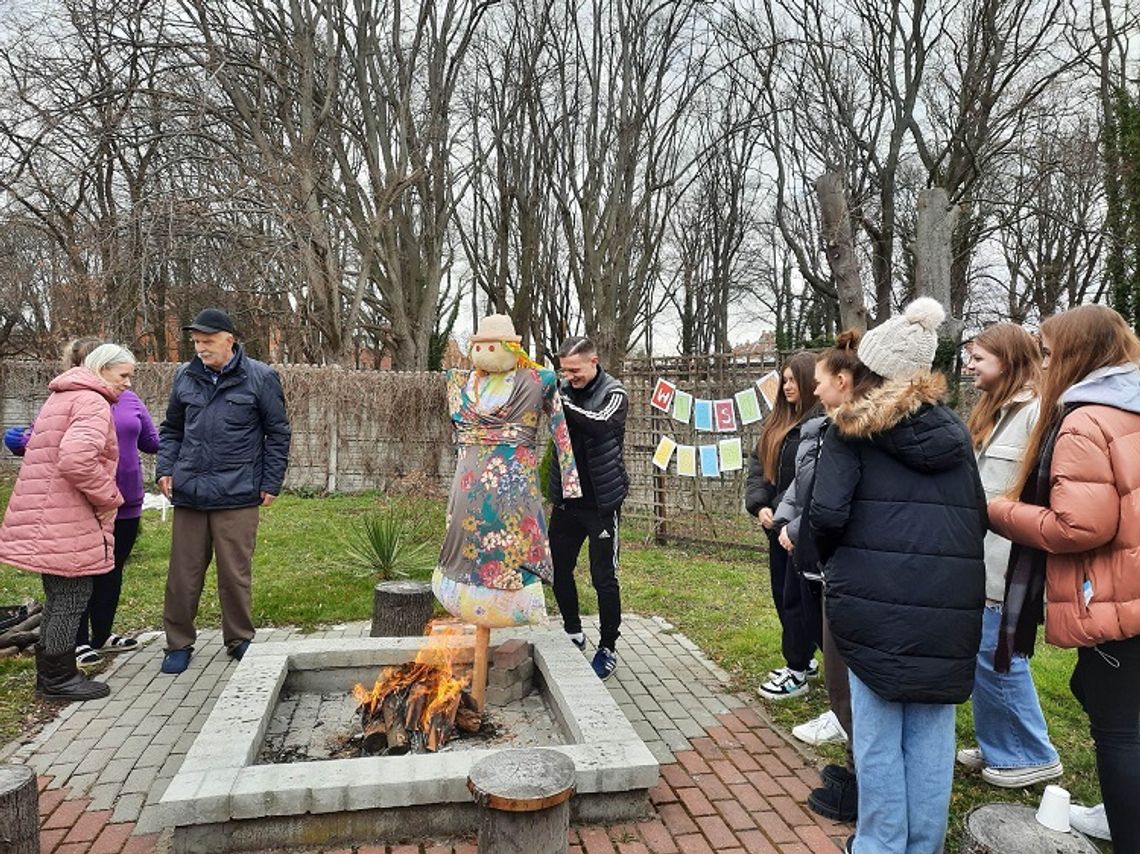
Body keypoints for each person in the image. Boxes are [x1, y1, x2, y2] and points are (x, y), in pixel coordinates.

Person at [810, 298, 986, 854]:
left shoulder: (849, 433)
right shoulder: (956, 436)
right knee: (932, 733)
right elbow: (976, 517)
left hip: (873, 602)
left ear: (872, 371)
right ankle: (923, 844)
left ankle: (881, 844)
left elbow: (826, 517)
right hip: (949, 605)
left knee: (879, 732)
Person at [988, 304, 1140, 852]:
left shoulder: (1085, 419)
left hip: (1116, 599)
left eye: (1049, 354)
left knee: (1118, 728)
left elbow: (1079, 526)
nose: (1043, 366)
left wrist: (998, 510)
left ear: (1078, 355)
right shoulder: (1132, 406)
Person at [3, 337, 157, 665]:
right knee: (71, 595)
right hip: (75, 509)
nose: (128, 383)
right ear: (99, 369)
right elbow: (75, 459)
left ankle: (57, 672)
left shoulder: (67, 396)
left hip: (68, 508)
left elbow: (149, 441)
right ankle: (60, 674)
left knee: (72, 591)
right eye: (123, 375)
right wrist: (107, 496)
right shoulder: (90, 402)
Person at [955, 324, 1062, 788]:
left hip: (1007, 563)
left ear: (1008, 358)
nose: (970, 365)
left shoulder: (1037, 414)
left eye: (979, 358)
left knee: (999, 656)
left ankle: (1030, 755)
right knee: (985, 654)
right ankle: (1000, 742)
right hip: (983, 559)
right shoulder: (996, 412)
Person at [157, 308, 291, 674]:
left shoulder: (261, 378)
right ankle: (178, 643)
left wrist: (270, 481)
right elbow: (171, 430)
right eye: (197, 342)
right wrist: (165, 468)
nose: (201, 348)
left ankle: (239, 639)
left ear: (229, 340)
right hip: (191, 493)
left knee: (234, 574)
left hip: (238, 493)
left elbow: (277, 433)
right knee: (183, 576)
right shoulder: (185, 377)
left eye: (208, 342)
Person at [433, 314, 580, 626]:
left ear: (513, 348)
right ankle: (463, 597)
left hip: (515, 486)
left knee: (514, 543)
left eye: (492, 346)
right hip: (468, 483)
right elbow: (456, 432)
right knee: (464, 539)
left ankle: (514, 603)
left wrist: (570, 483)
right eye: (479, 346)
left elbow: (561, 432)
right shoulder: (457, 382)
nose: (485, 352)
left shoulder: (540, 380)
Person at [780, 332, 865, 823]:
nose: (810, 390)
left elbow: (827, 508)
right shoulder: (824, 428)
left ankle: (862, 784)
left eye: (815, 381)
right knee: (839, 677)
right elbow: (802, 488)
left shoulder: (848, 435)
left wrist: (802, 528)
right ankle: (856, 770)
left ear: (843, 379)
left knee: (850, 681)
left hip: (846, 570)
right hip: (833, 566)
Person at [547, 336, 628, 680]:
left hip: (599, 504)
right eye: (563, 371)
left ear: (593, 361)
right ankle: (572, 630)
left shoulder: (614, 393)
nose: (569, 377)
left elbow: (598, 424)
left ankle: (608, 646)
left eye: (575, 370)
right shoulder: (562, 389)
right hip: (566, 501)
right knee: (558, 569)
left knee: (603, 578)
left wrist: (557, 402)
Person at [746, 351, 821, 699]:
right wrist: (760, 505)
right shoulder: (775, 424)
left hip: (803, 531)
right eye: (784, 380)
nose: (787, 386)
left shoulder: (820, 425)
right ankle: (802, 661)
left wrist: (791, 519)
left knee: (800, 600)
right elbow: (758, 468)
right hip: (775, 528)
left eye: (793, 380)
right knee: (783, 595)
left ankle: (797, 667)